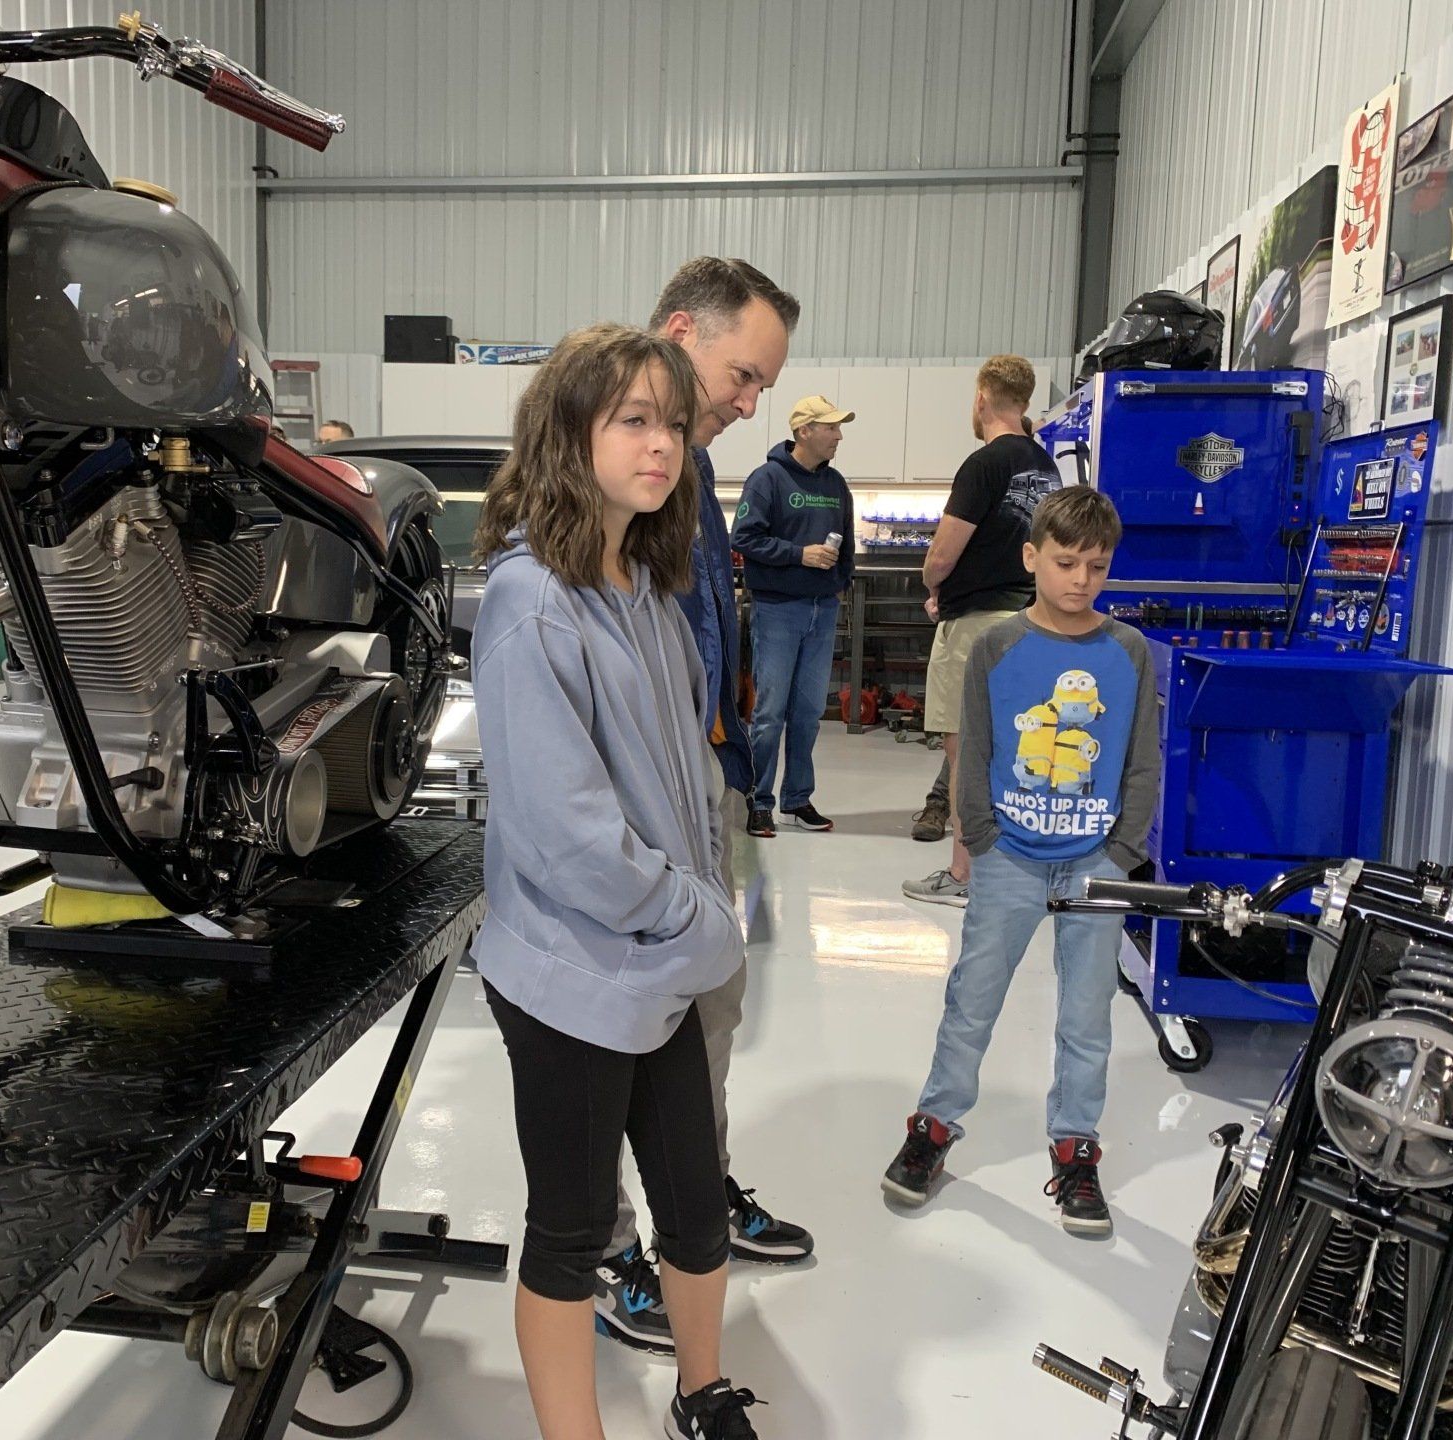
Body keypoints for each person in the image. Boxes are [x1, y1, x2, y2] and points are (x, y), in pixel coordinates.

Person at [470, 323, 762, 1439]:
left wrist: (697, 916)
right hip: (570, 974)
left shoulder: (646, 590)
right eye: (633, 421)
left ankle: (702, 1387)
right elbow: (567, 838)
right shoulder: (531, 601)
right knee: (574, 1225)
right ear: (570, 433)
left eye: (673, 425)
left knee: (693, 1208)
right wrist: (702, 921)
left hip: (658, 966)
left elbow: (682, 783)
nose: (663, 445)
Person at [589, 259, 815, 1361]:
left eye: (762, 384)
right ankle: (605, 1244)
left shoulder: (695, 471)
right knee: (608, 1033)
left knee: (706, 1017)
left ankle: (695, 1197)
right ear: (679, 331)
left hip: (703, 788)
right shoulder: (611, 472)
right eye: (743, 373)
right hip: (633, 816)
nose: (750, 399)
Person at [882, 487, 1161, 1240]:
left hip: (1093, 862)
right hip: (1011, 857)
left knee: (1086, 1016)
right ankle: (933, 1129)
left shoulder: (1128, 652)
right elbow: (973, 748)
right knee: (973, 1001)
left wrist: (1124, 849)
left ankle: (1075, 1149)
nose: (1080, 580)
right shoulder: (997, 646)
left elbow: (1141, 759)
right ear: (1032, 557)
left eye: (1096, 566)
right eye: (1065, 562)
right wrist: (983, 835)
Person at [904, 356, 1062, 904]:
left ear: (981, 399)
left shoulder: (985, 464)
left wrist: (934, 584)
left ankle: (964, 876)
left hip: (975, 630)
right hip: (1028, 621)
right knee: (1018, 749)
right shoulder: (1047, 467)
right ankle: (1012, 874)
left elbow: (942, 554)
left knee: (966, 752)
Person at [732, 396, 857, 836]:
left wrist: (839, 582)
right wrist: (799, 555)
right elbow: (744, 537)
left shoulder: (836, 483)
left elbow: (848, 545)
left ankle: (797, 798)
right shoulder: (767, 480)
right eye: (831, 428)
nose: (839, 435)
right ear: (804, 431)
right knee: (769, 713)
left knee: (807, 713)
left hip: (823, 611)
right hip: (778, 610)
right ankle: (758, 799)